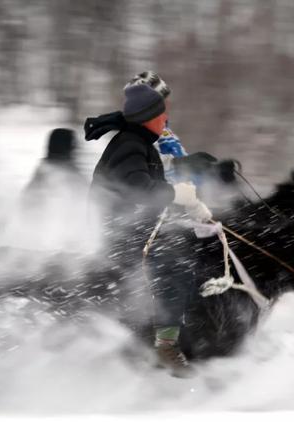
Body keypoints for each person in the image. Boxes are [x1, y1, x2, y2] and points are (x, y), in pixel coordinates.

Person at [86, 83, 212, 374]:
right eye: (161, 115)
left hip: (136, 227)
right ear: (148, 118)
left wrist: (191, 206)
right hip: (120, 234)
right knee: (175, 259)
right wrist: (175, 194)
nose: (165, 121)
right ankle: (165, 344)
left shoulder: (138, 142)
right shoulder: (130, 146)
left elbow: (152, 193)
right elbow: (137, 188)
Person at [20, 129, 90, 250]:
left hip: (57, 239)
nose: (75, 150)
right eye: (73, 146)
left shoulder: (44, 171)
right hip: (50, 240)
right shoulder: (57, 173)